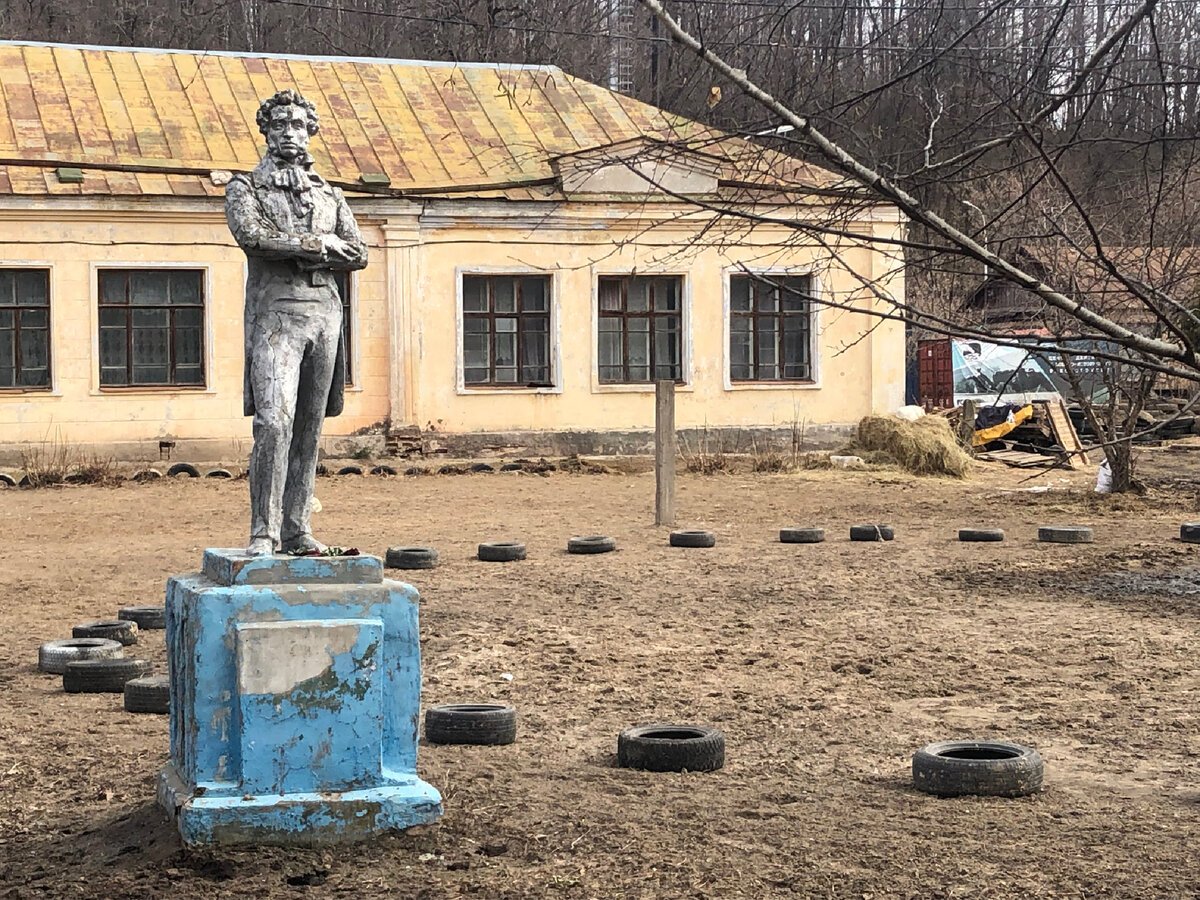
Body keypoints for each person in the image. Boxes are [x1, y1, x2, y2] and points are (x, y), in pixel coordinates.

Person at [225, 89, 368, 557]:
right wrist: (316, 246)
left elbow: (359, 252)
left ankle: (297, 528)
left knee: (309, 427)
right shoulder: (246, 188)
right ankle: (263, 532)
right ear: (265, 131)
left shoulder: (331, 193)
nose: (290, 133)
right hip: (276, 317)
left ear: (311, 132)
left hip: (325, 316)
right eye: (280, 125)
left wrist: (327, 246)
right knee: (273, 423)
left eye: (299, 125)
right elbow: (254, 237)